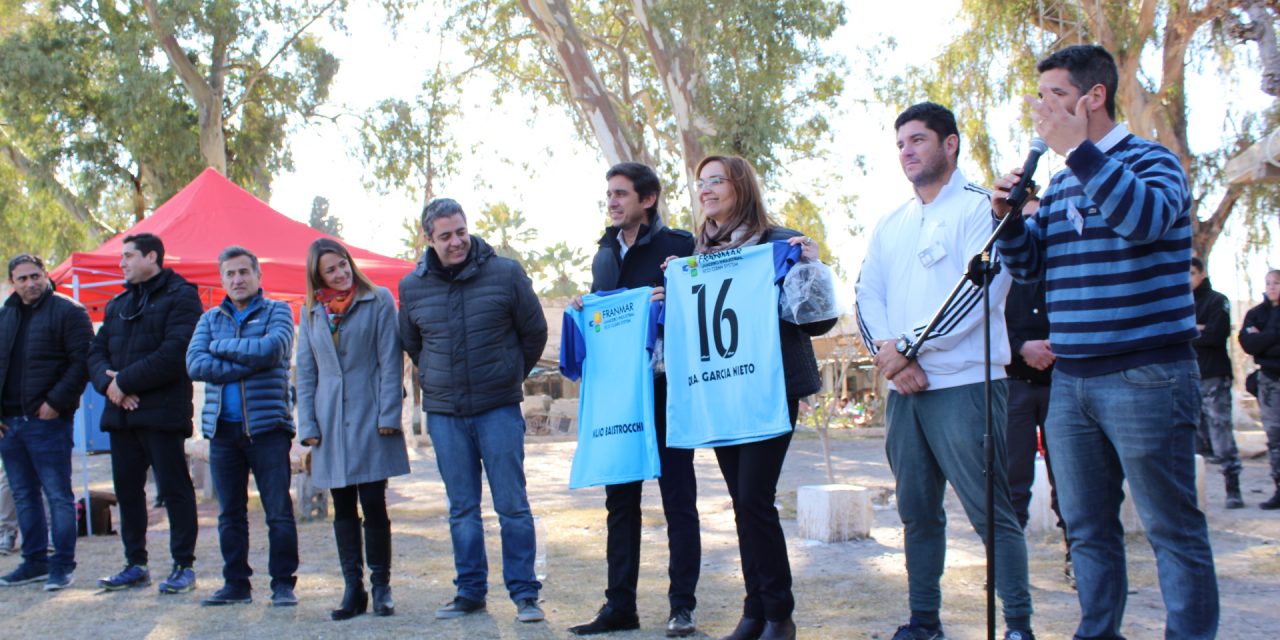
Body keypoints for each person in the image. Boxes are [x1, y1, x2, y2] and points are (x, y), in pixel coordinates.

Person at [992, 44, 1219, 639]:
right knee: (1087, 527)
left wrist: (1082, 154)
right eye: (1040, 99)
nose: (1044, 111)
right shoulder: (1064, 181)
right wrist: (1011, 220)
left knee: (1172, 527)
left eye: (1057, 97)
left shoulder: (1155, 162)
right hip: (1072, 383)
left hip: (1147, 375)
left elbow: (1142, 220)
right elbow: (1034, 266)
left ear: (1094, 97)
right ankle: (1098, 632)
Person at [855, 102, 1033, 640]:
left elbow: (981, 289)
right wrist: (889, 356)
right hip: (904, 391)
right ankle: (924, 620)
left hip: (966, 385)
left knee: (990, 513)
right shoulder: (892, 222)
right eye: (901, 144)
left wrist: (910, 347)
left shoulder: (985, 208)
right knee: (917, 512)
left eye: (918, 140)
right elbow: (867, 295)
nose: (907, 152)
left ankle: (1018, 625)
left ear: (949, 144)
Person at [668, 154, 830, 640]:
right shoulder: (697, 255)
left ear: (742, 187)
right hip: (723, 392)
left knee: (755, 498)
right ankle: (755, 610)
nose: (706, 189)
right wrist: (672, 287)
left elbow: (819, 320)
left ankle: (779, 613)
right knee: (741, 502)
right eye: (701, 182)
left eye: (717, 180)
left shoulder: (779, 243)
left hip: (769, 389)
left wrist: (810, 269)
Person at [565, 162, 701, 637]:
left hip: (667, 394)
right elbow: (608, 318)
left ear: (648, 199)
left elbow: (699, 310)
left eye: (621, 194)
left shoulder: (680, 246)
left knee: (678, 499)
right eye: (609, 195)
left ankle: (682, 607)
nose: (612, 202)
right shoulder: (603, 253)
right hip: (620, 397)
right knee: (619, 500)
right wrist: (586, 307)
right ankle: (619, 606)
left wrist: (676, 299)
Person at [399, 198, 549, 624]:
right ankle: (469, 592)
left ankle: (524, 594)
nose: (456, 241)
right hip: (446, 415)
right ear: (429, 239)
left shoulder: (506, 273)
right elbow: (412, 342)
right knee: (462, 508)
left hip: (498, 409)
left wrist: (508, 373)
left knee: (512, 506)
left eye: (460, 231)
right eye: (445, 236)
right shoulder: (412, 287)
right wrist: (434, 377)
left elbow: (534, 331)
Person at [296, 238, 410, 619]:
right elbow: (307, 371)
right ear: (318, 276)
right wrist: (308, 425)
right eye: (331, 269)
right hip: (329, 423)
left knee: (374, 503)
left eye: (343, 264)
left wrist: (389, 416)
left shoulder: (377, 299)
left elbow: (390, 361)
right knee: (342, 507)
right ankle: (353, 589)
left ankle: (382, 587)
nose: (341, 273)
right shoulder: (310, 312)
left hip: (371, 415)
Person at [88, 233, 202, 595]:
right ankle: (135, 564)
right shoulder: (119, 303)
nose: (121, 263)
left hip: (162, 415)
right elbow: (95, 352)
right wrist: (111, 388)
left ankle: (183, 565)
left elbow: (176, 352)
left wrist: (124, 381)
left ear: (152, 256)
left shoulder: (182, 296)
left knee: (174, 490)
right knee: (127, 491)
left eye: (128, 256)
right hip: (121, 416)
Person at [186, 246, 300, 607]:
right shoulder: (208, 319)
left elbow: (273, 350)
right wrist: (245, 361)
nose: (237, 279)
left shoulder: (278, 311)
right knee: (229, 514)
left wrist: (222, 348)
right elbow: (195, 364)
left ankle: (283, 585)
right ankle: (236, 584)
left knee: (278, 511)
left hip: (268, 429)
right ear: (222, 279)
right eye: (230, 274)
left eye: (243, 272)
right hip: (223, 432)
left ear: (257, 276)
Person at [0, 254, 93, 590]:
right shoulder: (5, 314)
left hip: (48, 421)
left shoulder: (68, 311)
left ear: (45, 275)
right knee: (24, 496)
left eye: (34, 276)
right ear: (13, 282)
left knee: (57, 495)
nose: (29, 283)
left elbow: (82, 362)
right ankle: (34, 562)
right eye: (22, 278)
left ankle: (62, 565)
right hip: (9, 424)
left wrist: (56, 403)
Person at [1002, 196, 1072, 587]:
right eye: (1023, 220)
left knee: (1070, 478)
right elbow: (986, 323)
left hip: (1063, 387)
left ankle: (1075, 559)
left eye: (1037, 220)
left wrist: (1055, 345)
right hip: (1015, 386)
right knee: (1013, 481)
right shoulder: (1001, 273)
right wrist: (1021, 348)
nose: (1031, 227)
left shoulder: (1064, 270)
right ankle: (1011, 571)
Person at [1190, 256, 1244, 508]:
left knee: (1221, 432)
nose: (1186, 278)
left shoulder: (1217, 300)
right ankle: (1195, 496)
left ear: (1201, 274)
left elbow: (1215, 334)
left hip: (1214, 376)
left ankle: (1233, 487)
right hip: (1189, 376)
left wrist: (1192, 330)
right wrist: (1196, 328)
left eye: (1191, 273)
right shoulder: (1180, 302)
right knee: (1192, 438)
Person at [1240, 268, 1280, 510]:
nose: (1272, 287)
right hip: (1268, 381)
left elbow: (1260, 343)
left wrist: (1265, 339)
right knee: (1275, 437)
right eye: (1268, 283)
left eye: (1276, 282)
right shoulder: (1256, 314)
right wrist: (1272, 338)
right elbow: (1248, 343)